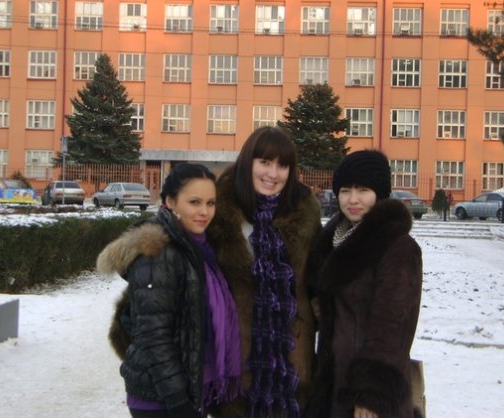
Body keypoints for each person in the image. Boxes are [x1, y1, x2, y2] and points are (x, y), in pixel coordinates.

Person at [96, 163, 242, 418]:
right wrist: (178, 401)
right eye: (194, 202)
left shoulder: (199, 248)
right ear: (170, 202)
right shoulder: (159, 252)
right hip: (161, 400)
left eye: (210, 203)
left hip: (185, 391)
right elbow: (153, 336)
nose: (204, 212)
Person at [207, 126, 322, 418]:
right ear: (248, 162)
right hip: (233, 375)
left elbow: (324, 282)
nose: (273, 173)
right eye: (265, 162)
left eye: (282, 165)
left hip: (292, 374)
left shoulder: (305, 217)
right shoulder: (217, 212)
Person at [305, 150, 423, 418]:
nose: (353, 199)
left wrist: (371, 394)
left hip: (367, 393)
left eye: (363, 190)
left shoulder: (397, 247)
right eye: (345, 190)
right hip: (333, 382)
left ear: (379, 193)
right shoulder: (333, 241)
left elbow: (392, 327)